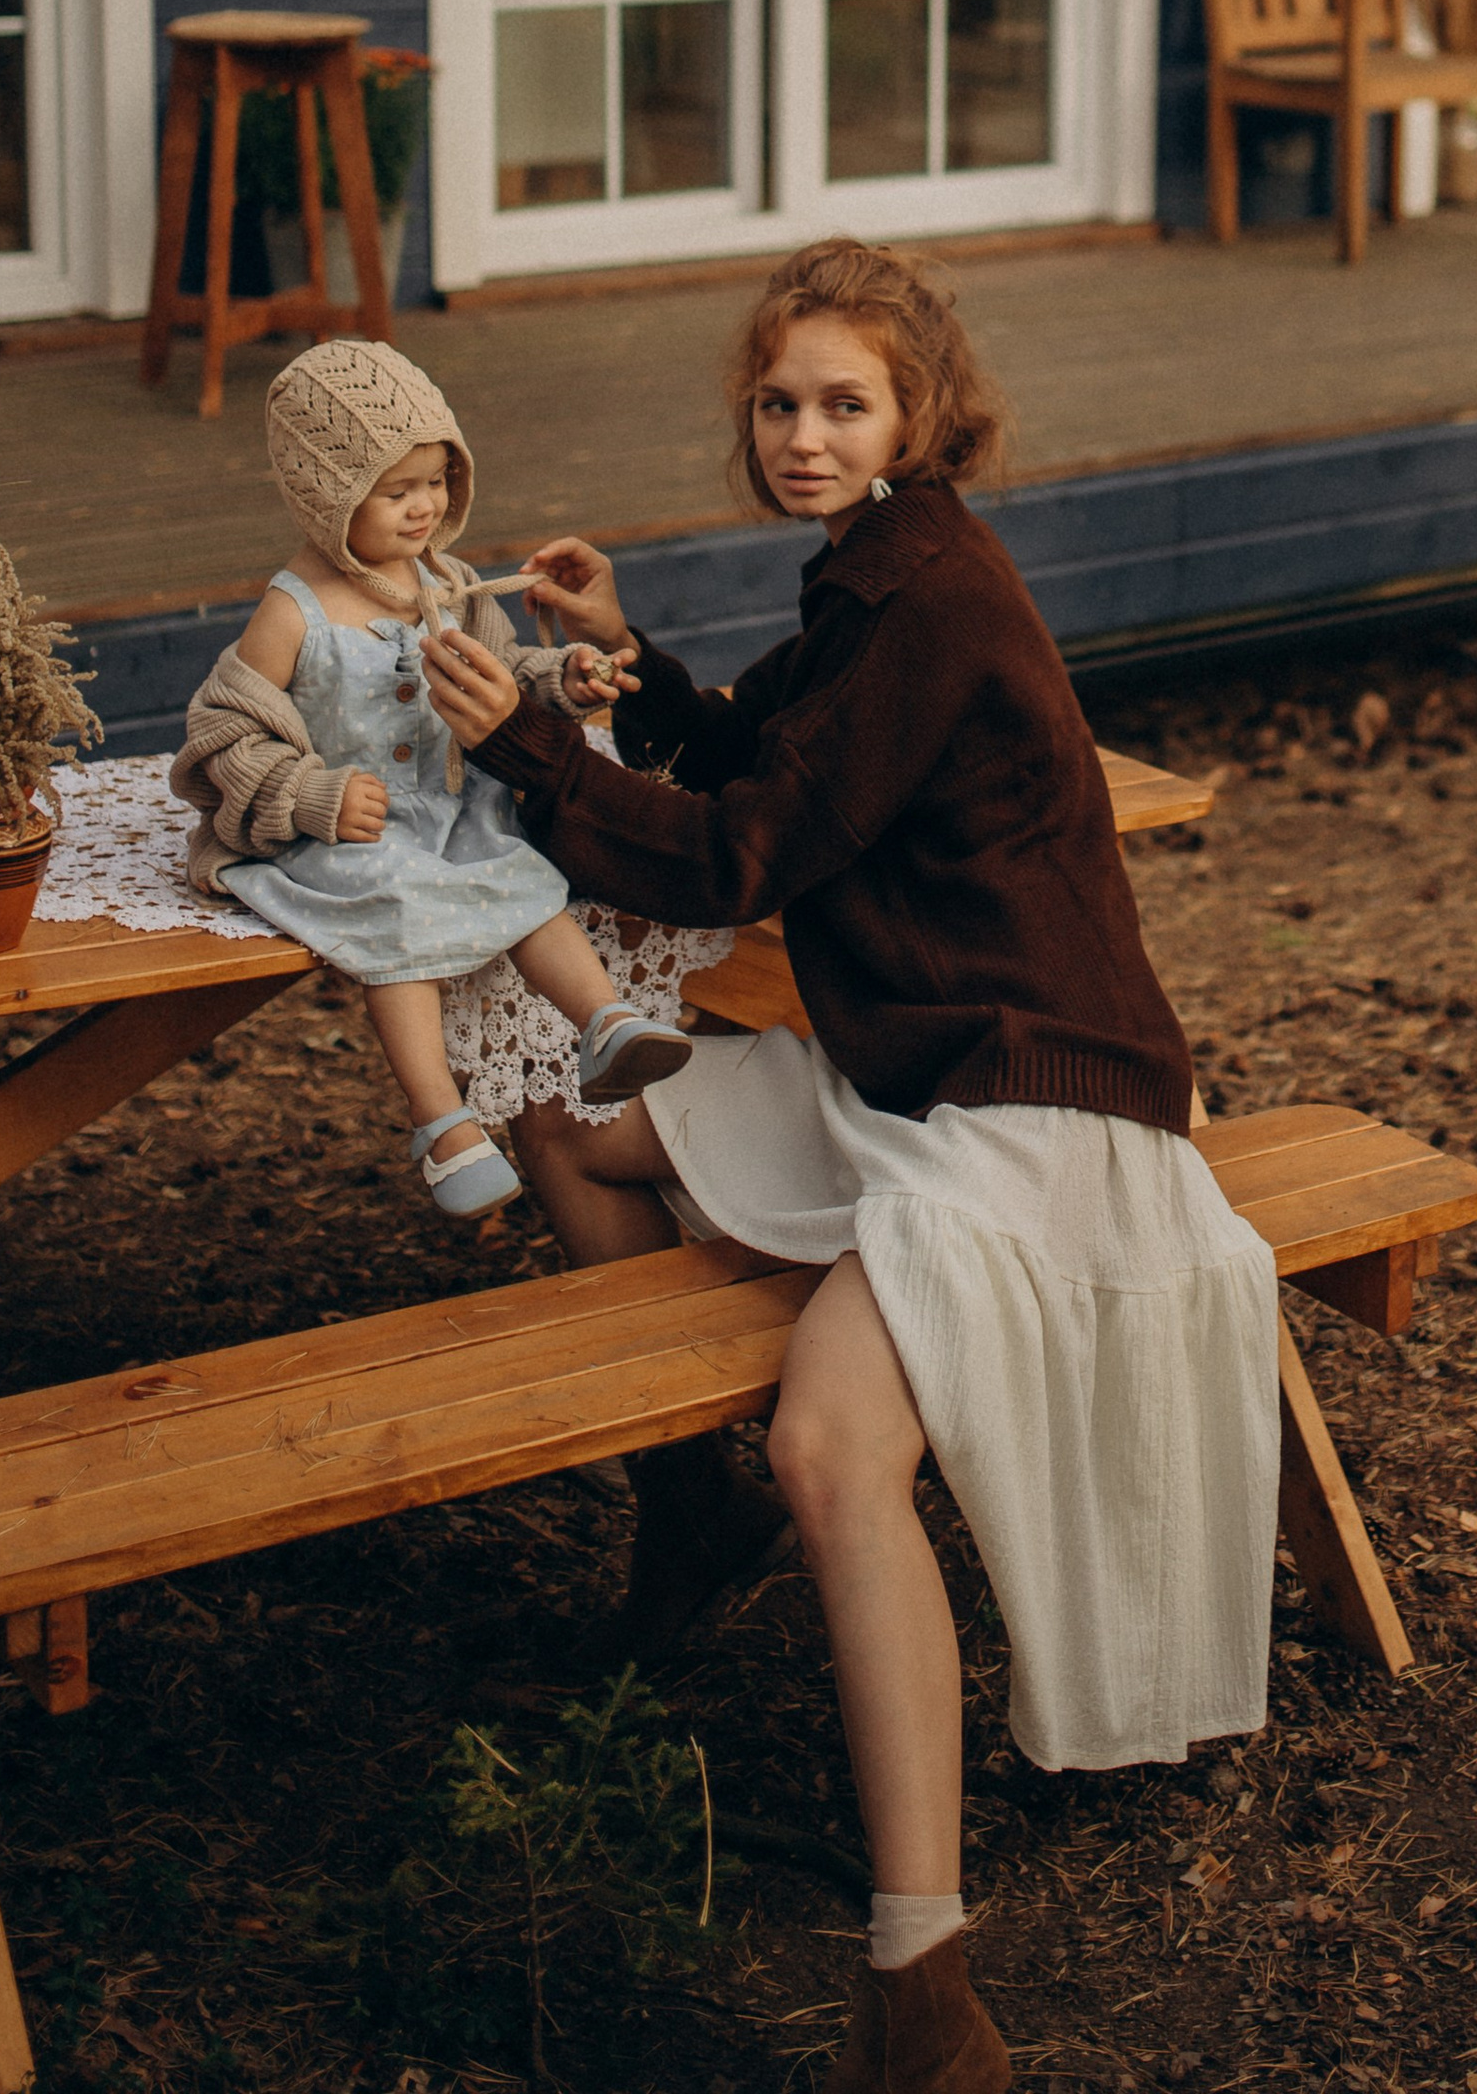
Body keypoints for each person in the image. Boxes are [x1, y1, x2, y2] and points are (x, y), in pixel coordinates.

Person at [421, 240, 1280, 2094]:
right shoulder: (888, 576)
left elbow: (743, 857)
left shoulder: (938, 600)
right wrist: (633, 666)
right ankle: (684, 1496)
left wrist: (527, 743)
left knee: (830, 1444)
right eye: (780, 401)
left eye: (845, 404)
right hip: (907, 1070)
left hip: (1033, 1107)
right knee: (571, 1115)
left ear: (920, 416)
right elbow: (778, 760)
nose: (804, 435)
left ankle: (924, 1984)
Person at [173, 339, 700, 1215]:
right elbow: (224, 729)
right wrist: (314, 794)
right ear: (328, 494)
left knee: (524, 874)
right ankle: (443, 1124)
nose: (426, 506)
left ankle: (606, 1024)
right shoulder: (294, 610)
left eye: (436, 480)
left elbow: (500, 672)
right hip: (356, 824)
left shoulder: (448, 582)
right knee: (399, 914)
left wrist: (560, 678)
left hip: (452, 808)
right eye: (396, 489)